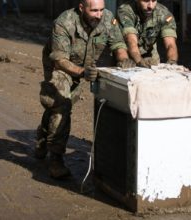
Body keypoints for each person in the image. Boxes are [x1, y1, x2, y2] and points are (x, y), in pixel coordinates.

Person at [35, 0, 135, 179]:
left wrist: (123, 59)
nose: (99, 14)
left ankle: (43, 134)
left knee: (62, 104)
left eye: (101, 10)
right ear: (81, 8)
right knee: (61, 104)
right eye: (94, 10)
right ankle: (56, 158)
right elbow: (60, 60)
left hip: (84, 66)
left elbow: (118, 44)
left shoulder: (107, 19)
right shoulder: (64, 22)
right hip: (60, 66)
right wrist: (82, 72)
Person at [116, 0, 178, 68]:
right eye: (146, 1)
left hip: (150, 57)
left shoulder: (164, 14)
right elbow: (131, 41)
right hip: (125, 56)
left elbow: (170, 44)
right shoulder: (125, 11)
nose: (150, 6)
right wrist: (139, 61)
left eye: (154, 1)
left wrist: (172, 62)